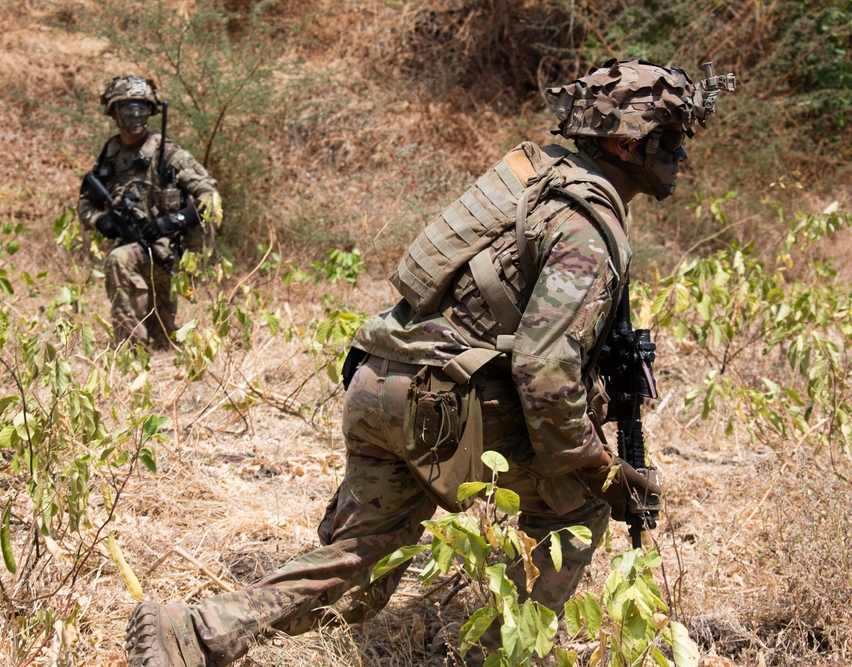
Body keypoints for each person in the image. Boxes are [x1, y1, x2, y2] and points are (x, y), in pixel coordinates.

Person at [124, 58, 733, 666]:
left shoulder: (531, 177)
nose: (681, 157)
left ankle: (194, 632)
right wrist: (604, 471)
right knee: (575, 510)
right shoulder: (585, 227)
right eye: (672, 140)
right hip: (442, 408)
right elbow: (544, 376)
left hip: (378, 381)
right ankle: (499, 656)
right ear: (626, 142)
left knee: (365, 566)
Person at [78, 75, 222, 350]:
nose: (135, 115)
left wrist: (172, 221)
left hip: (165, 251)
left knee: (165, 338)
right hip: (131, 248)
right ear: (114, 111)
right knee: (119, 260)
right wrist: (101, 221)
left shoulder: (166, 152)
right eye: (127, 108)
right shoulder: (111, 152)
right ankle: (130, 349)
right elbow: (86, 202)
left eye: (141, 108)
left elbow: (210, 196)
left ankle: (150, 338)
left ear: (151, 111)